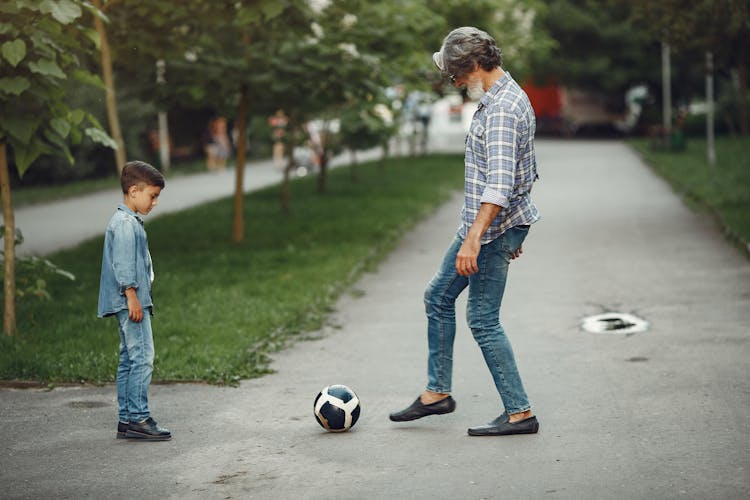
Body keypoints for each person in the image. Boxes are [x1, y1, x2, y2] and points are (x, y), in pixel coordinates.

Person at [389, 27, 541, 436]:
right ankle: (437, 393)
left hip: (488, 230)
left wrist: (480, 237)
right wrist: (514, 227)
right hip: (495, 225)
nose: (453, 82)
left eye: (455, 74)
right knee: (438, 296)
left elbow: (500, 184)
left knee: (483, 320)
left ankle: (520, 413)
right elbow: (519, 173)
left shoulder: (503, 110)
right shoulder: (500, 98)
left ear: (474, 66)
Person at [97, 161, 171, 441]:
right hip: (130, 302)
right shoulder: (127, 224)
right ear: (133, 191)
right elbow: (124, 265)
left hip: (127, 301)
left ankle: (126, 419)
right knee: (142, 358)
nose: (154, 203)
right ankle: (139, 417)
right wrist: (132, 297)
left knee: (128, 359)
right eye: (152, 196)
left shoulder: (124, 221)